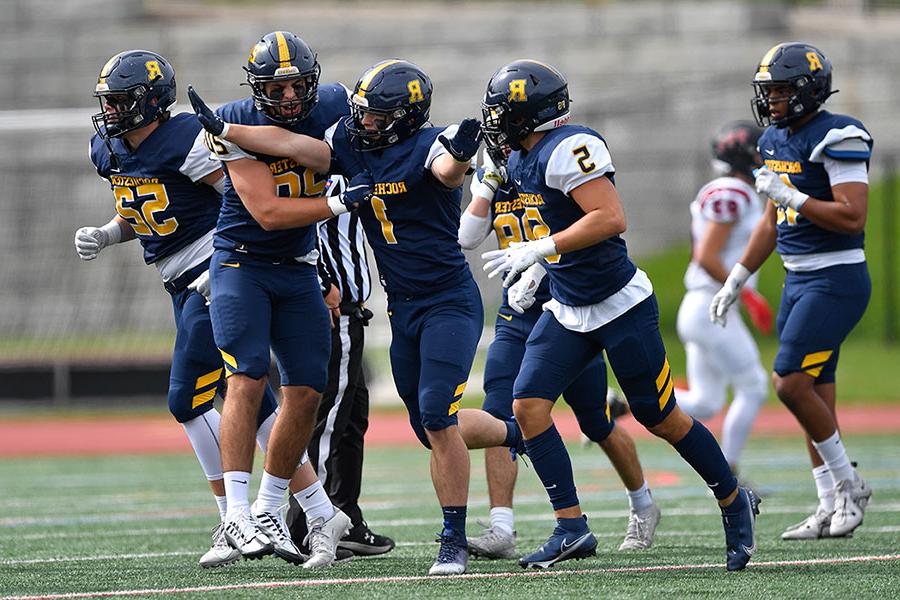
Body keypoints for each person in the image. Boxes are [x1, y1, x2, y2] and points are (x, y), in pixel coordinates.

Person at [189, 58, 527, 576]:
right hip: (402, 305)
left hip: (447, 302)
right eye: (362, 113)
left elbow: (445, 170)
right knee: (427, 424)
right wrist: (225, 128)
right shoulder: (351, 144)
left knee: (436, 415)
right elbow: (300, 148)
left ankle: (452, 538)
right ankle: (511, 432)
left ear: (406, 115)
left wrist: (462, 154)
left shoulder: (431, 142)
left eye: (376, 115)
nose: (363, 122)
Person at [77, 48, 354, 570]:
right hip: (182, 279)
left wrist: (224, 262)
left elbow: (243, 199)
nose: (110, 111)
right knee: (253, 396)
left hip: (217, 270)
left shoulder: (184, 137)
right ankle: (316, 509)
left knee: (195, 395)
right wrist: (110, 232)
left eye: (120, 101)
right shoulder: (108, 148)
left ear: (150, 101)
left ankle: (236, 517)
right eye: (107, 102)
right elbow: (146, 204)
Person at [480, 59, 759, 572]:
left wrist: (540, 248)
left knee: (660, 417)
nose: (494, 120)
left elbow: (609, 218)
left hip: (618, 304)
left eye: (502, 111)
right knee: (528, 407)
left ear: (527, 114)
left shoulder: (568, 147)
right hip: (567, 304)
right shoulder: (518, 156)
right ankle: (571, 526)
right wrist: (538, 271)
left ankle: (731, 498)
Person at [196, 31, 378, 568]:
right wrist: (332, 202)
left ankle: (274, 506)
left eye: (299, 84)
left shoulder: (334, 104)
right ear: (257, 88)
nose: (292, 96)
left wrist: (249, 135)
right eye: (279, 87)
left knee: (306, 390)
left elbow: (325, 154)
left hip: (298, 267)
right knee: (247, 377)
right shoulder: (230, 117)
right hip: (241, 263)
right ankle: (235, 513)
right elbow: (269, 213)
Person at [458, 145, 660, 557]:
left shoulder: (551, 165)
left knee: (595, 420)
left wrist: (541, 266)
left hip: (570, 309)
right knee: (501, 410)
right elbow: (468, 237)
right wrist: (486, 185)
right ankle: (502, 527)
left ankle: (643, 504)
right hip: (518, 312)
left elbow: (589, 230)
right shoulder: (498, 170)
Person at [710, 42, 873, 540]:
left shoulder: (838, 134)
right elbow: (771, 219)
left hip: (836, 276)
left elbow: (853, 215)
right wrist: (737, 277)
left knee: (790, 383)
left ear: (808, 90)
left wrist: (796, 197)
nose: (773, 100)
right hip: (797, 277)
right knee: (815, 391)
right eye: (769, 91)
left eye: (782, 90)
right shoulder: (774, 140)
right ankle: (828, 505)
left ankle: (849, 484)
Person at [285, 176, 396, 557]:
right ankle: (309, 524)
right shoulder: (306, 170)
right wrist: (320, 284)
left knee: (350, 421)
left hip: (348, 311)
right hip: (331, 310)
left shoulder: (346, 161)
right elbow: (288, 227)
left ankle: (345, 515)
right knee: (328, 421)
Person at [674, 121, 771, 479]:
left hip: (703, 307)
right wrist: (748, 295)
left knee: (706, 401)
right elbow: (708, 256)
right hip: (710, 307)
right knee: (754, 386)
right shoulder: (735, 192)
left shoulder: (727, 189)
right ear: (745, 155)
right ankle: (729, 473)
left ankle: (624, 404)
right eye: (760, 151)